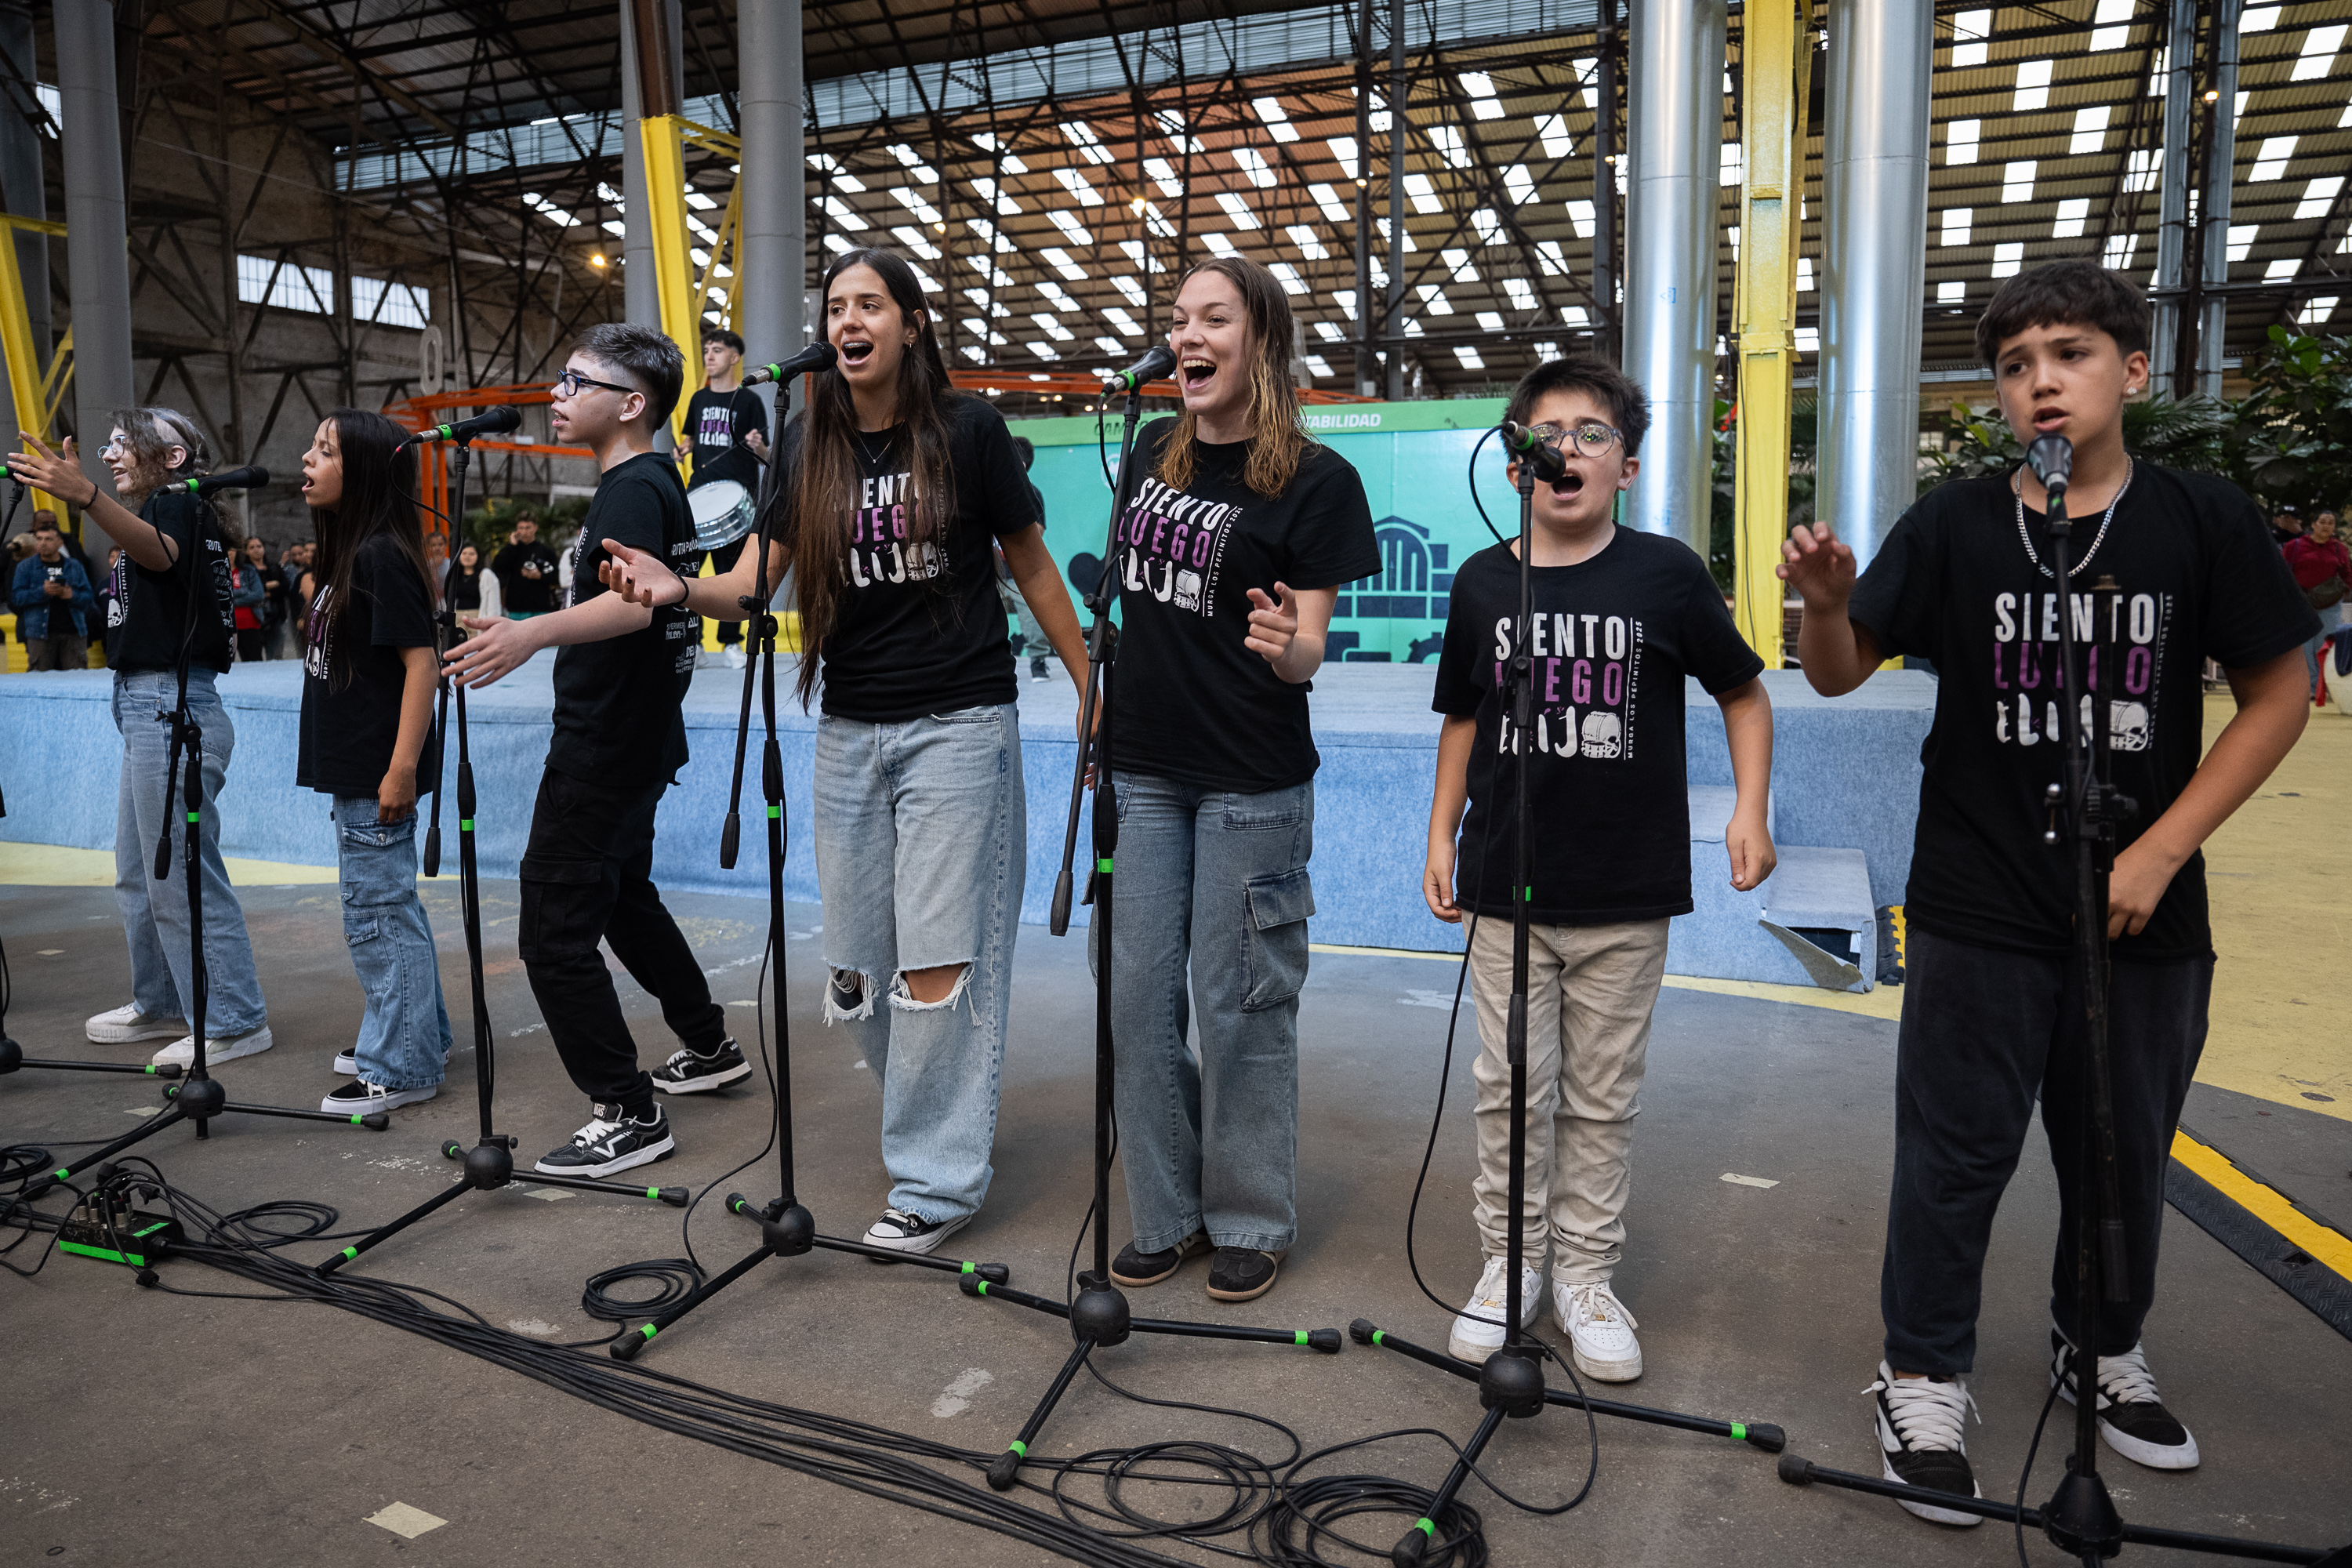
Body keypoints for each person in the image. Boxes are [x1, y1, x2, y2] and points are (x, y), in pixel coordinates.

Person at [1778, 260, 2314, 1524]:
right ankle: (1920, 1371)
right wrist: (1824, 606)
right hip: (1977, 901)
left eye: (2067, 356)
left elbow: (2279, 693)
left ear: (2131, 371)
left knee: (2120, 1157)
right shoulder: (1958, 524)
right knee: (1954, 1158)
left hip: (2145, 906)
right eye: (2016, 368)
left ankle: (2099, 1346)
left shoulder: (2202, 519)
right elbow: (1843, 672)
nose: (2040, 385)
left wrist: (2165, 848)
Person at [599, 246, 1087, 1254]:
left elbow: (1033, 568)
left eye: (871, 303)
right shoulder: (808, 444)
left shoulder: (970, 431)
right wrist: (672, 584)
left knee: (939, 962)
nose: (850, 318)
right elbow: (747, 586)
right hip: (851, 729)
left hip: (959, 723)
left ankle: (936, 1178)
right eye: (837, 305)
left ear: (911, 322)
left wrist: (1092, 682)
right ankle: (932, 1113)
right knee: (859, 970)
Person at [1424, 358, 1776, 1378]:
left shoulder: (1664, 574)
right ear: (1518, 458)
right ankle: (1511, 1264)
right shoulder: (1485, 580)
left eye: (1590, 433)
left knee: (1601, 1095)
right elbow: (1461, 717)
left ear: (1626, 462)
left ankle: (1583, 1273)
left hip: (1627, 891)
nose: (1566, 450)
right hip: (1505, 889)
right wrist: (1440, 833)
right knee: (1511, 1087)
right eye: (1547, 434)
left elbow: (1744, 693)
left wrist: (1748, 810)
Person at [1083, 256, 1381, 1305]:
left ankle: (1252, 1214)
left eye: (1215, 317)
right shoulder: (1146, 460)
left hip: (1251, 779)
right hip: (1147, 771)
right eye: (1178, 319)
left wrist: (1282, 646)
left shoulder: (1315, 481)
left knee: (1240, 1001)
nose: (1189, 335)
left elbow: (1309, 651)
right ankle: (1169, 1211)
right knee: (1136, 998)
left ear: (1262, 340)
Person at [443, 324, 735, 1178]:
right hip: (633, 735)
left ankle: (628, 1108)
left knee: (554, 933)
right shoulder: (643, 483)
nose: (558, 394)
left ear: (631, 404)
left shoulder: (633, 489)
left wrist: (530, 633)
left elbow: (637, 607)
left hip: (606, 742)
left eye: (577, 381)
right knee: (623, 898)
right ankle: (709, 1042)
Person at [5, 409, 274, 1066]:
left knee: (179, 874)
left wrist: (86, 496)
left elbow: (162, 554)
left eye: (125, 444)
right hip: (143, 703)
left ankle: (235, 1018)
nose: (111, 454)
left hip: (170, 705)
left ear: (175, 458)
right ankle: (161, 1001)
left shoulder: (178, 505)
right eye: (110, 446)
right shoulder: (154, 514)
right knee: (137, 872)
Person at [297, 409, 453, 1115]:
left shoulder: (380, 555)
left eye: (325, 451)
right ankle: (423, 1035)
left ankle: (402, 1065)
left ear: (360, 470)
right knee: (392, 908)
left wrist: (402, 769)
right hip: (358, 764)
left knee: (378, 913)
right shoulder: (352, 552)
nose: (308, 460)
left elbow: (423, 666)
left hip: (375, 770)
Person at [684, 326, 771, 661]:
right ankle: (694, 644)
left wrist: (759, 446)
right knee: (688, 571)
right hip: (698, 496)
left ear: (734, 358)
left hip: (736, 500)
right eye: (707, 350)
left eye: (717, 350)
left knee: (731, 575)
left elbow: (765, 455)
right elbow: (691, 440)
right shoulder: (698, 398)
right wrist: (683, 449)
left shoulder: (749, 401)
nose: (709, 356)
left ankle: (731, 643)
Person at [998, 434, 1055, 681]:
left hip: (1018, 574)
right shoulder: (984, 487)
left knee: (1034, 615)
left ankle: (1039, 661)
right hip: (988, 572)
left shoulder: (1031, 493)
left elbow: (1038, 532)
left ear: (1021, 465)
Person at [10, 519, 96, 670]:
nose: (43, 543)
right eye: (39, 539)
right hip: (40, 634)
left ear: (60, 543)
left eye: (48, 539)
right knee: (39, 682)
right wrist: (42, 592)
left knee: (77, 682)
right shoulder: (25, 567)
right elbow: (17, 598)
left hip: (74, 633)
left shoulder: (74, 566)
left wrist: (72, 595)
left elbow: (89, 598)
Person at [2283, 508, 2348, 699]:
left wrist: (2342, 591)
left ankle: (2322, 686)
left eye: (2331, 523)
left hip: (2330, 604)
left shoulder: (2339, 548)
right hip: (2301, 602)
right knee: (2304, 646)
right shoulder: (2294, 546)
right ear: (2313, 525)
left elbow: (2346, 574)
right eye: (2323, 522)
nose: (2327, 526)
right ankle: (2309, 687)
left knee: (2325, 645)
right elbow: (2282, 571)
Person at [490, 512, 559, 619]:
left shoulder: (546, 552)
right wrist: (511, 545)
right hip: (516, 609)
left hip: (541, 609)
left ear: (535, 528)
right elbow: (497, 566)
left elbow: (557, 578)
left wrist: (539, 576)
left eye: (528, 528)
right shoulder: (511, 550)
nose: (524, 532)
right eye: (521, 528)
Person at [229, 534, 270, 662]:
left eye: (232, 550)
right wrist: (243, 592)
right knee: (227, 667)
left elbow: (259, 594)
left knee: (254, 663)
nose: (229, 553)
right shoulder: (217, 571)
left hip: (250, 623)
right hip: (227, 626)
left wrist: (233, 600)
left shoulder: (248, 570)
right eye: (227, 549)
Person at [448, 539, 502, 626]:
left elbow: (493, 602)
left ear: (478, 556)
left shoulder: (484, 575)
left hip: (477, 617)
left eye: (471, 554)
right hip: (458, 617)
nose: (467, 556)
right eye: (464, 553)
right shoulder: (455, 576)